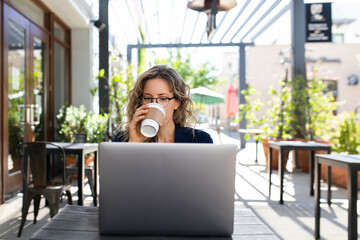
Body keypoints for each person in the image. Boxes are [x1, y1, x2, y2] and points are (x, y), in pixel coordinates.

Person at [113, 65, 213, 143]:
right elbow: (114, 170)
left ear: (177, 102)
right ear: (140, 101)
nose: (155, 104)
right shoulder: (122, 140)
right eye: (148, 98)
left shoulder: (200, 140)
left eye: (163, 98)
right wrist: (134, 143)